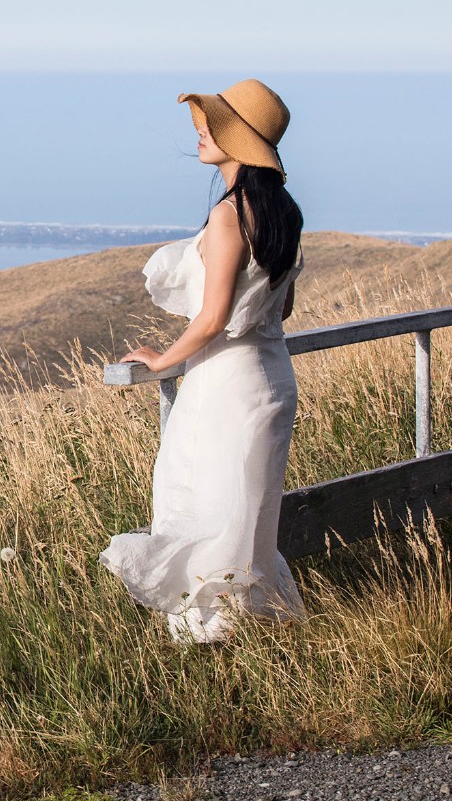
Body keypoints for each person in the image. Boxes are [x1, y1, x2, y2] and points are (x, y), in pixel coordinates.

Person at [98, 79, 306, 644]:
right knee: (248, 514)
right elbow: (279, 305)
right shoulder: (286, 212)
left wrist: (162, 360)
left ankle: (210, 640)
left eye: (211, 126)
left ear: (238, 141)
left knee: (204, 503)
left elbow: (213, 318)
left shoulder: (229, 215)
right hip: (271, 375)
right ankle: (255, 633)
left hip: (225, 380)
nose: (200, 131)